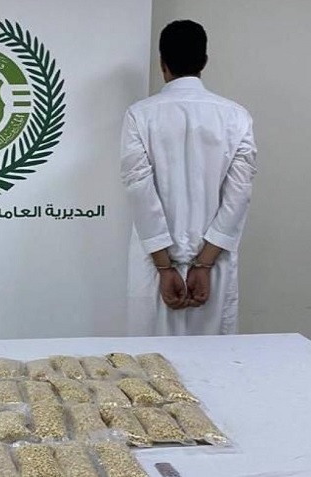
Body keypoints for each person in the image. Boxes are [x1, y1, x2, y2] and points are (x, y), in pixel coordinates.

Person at [120, 20, 257, 335]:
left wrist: (164, 267)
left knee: (148, 360)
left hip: (153, 265)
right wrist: (205, 263)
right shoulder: (236, 117)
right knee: (214, 358)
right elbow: (238, 196)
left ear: (162, 63)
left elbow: (140, 190)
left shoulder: (140, 115)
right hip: (214, 264)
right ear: (204, 62)